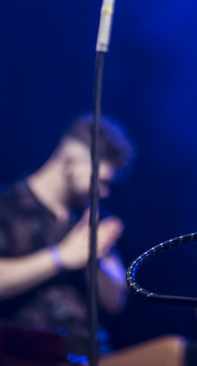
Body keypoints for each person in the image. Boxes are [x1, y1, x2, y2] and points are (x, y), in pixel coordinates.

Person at [0, 114, 133, 356]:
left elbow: (115, 300)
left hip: (93, 354)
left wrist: (95, 258)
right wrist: (61, 257)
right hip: (25, 356)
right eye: (101, 181)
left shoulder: (89, 215)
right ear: (69, 161)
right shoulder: (6, 205)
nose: (104, 192)